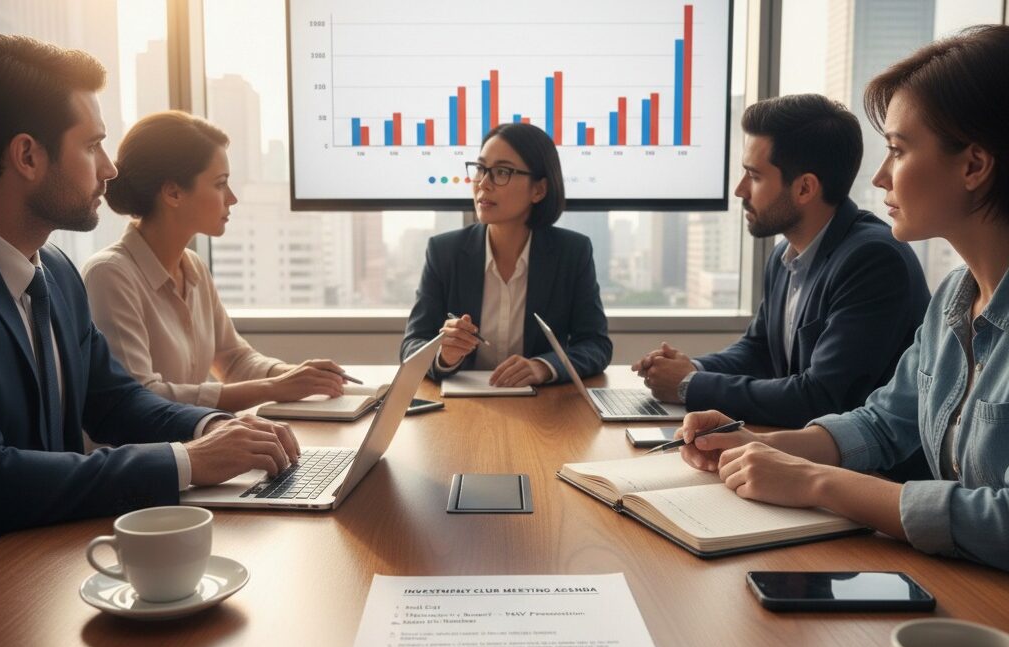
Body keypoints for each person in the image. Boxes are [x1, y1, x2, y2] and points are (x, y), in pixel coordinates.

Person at [676, 25, 1009, 572]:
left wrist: (816, 481)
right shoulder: (954, 297)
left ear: (973, 166)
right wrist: (758, 446)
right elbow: (883, 423)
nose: (880, 177)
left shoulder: (871, 256)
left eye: (898, 151)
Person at [0, 35, 298, 542]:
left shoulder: (57, 274)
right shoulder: (96, 273)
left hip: (49, 557)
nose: (109, 168)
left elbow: (114, 400)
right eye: (91, 146)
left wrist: (210, 427)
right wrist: (186, 461)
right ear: (27, 156)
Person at [632, 94, 930, 428]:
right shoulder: (784, 255)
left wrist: (689, 385)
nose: (740, 191)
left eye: (754, 176)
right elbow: (758, 350)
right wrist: (690, 369)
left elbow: (821, 397)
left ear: (805, 188)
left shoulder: (873, 260)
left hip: (866, 472)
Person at [82, 111, 348, 411]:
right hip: (145, 455)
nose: (231, 198)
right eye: (220, 183)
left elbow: (234, 360)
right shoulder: (110, 275)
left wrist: (298, 376)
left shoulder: (192, 267)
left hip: (194, 445)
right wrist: (274, 387)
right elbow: (141, 396)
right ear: (173, 193)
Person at [401, 122, 612, 386]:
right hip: (461, 408)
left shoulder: (572, 253)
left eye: (502, 172)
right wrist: (445, 355)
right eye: (480, 169)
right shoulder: (444, 252)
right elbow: (412, 345)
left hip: (542, 409)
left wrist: (543, 367)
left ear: (539, 190)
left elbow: (596, 345)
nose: (483, 184)